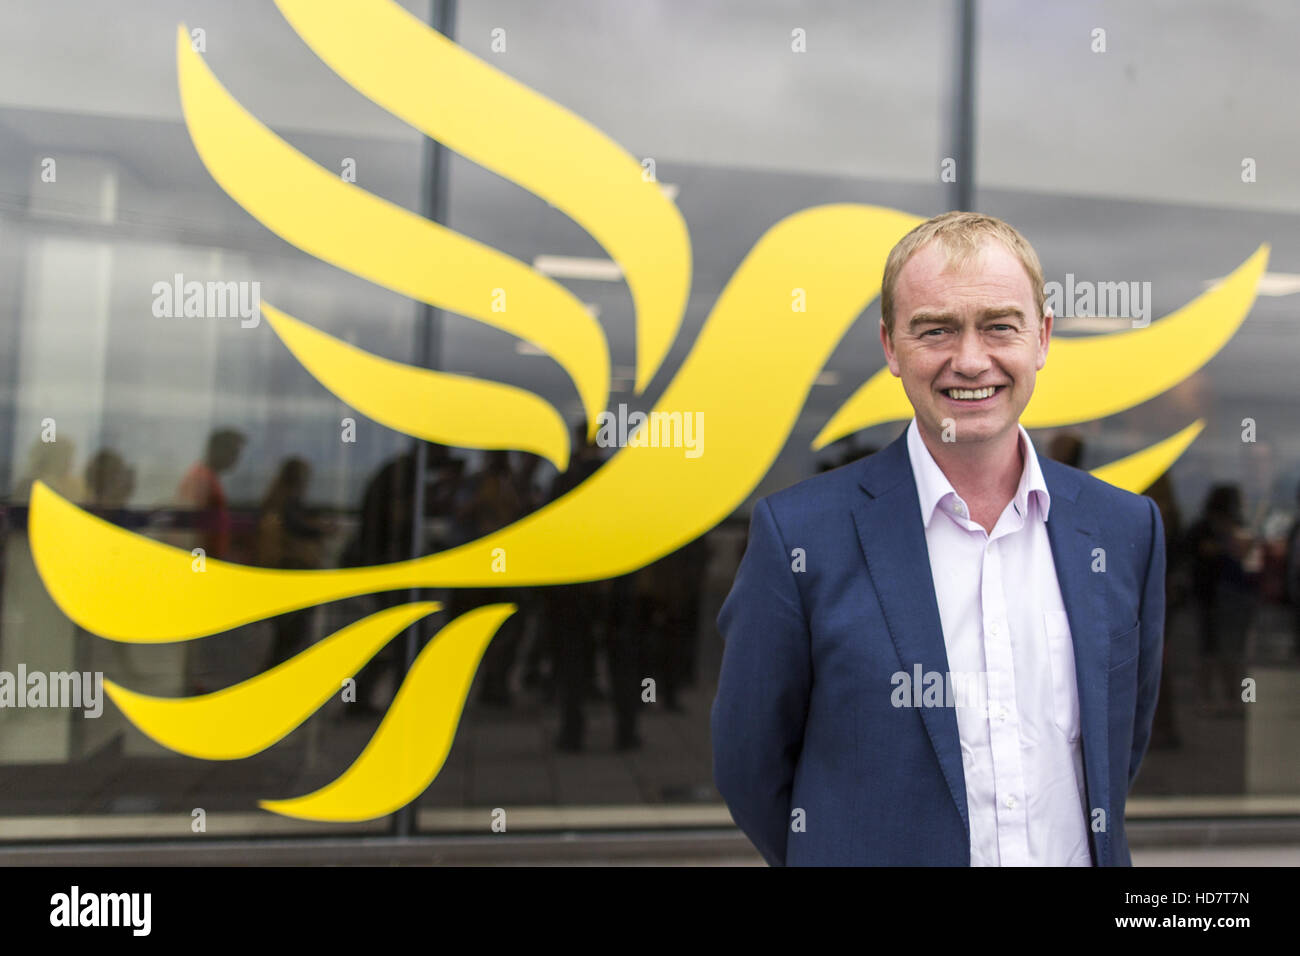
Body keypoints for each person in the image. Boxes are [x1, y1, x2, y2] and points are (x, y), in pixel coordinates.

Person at [712, 212, 1166, 866]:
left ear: (1042, 338)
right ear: (892, 347)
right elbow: (749, 764)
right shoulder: (800, 536)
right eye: (936, 329)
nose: (971, 359)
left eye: (999, 326)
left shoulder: (1126, 530)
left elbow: (1117, 748)